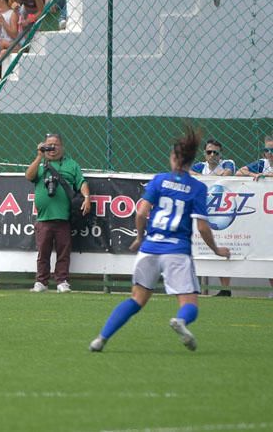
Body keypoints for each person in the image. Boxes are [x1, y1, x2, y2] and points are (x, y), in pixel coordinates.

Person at [89, 127, 231, 352]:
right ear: (191, 160)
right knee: (189, 302)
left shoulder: (159, 180)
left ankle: (101, 339)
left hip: (150, 249)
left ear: (174, 158)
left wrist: (139, 237)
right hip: (176, 251)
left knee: (136, 299)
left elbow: (140, 213)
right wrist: (216, 250)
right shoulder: (197, 188)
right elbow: (203, 227)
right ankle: (181, 321)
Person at [24, 132, 91, 294]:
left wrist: (87, 197)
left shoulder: (71, 165)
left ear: (62, 147)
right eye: (49, 145)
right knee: (43, 253)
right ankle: (41, 281)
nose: (52, 148)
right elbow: (29, 176)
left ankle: (62, 281)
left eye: (56, 145)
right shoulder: (40, 164)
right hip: (43, 218)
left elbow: (81, 182)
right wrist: (39, 156)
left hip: (64, 218)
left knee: (63, 252)